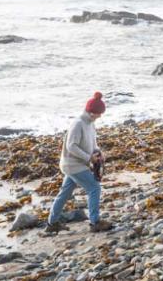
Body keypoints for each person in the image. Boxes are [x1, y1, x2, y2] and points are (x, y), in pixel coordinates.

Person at [45, 92, 113, 233]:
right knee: (94, 188)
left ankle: (52, 224)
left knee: (65, 193)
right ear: (92, 112)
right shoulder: (78, 124)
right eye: (99, 113)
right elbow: (71, 146)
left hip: (76, 165)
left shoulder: (90, 124)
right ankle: (95, 222)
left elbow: (93, 144)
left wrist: (99, 153)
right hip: (72, 164)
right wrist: (89, 158)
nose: (100, 116)